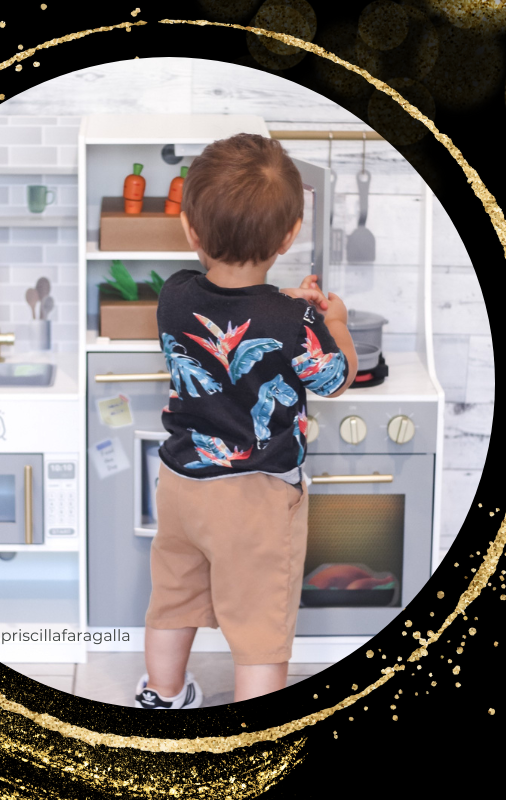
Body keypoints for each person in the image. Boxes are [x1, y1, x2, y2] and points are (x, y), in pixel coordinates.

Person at [134, 133, 357, 710]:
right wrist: (334, 322)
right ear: (289, 235)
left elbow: (235, 305)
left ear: (191, 229)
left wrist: (291, 308)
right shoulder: (295, 319)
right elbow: (335, 378)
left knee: (173, 598)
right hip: (254, 499)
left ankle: (162, 696)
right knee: (259, 626)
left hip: (182, 485)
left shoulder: (174, 295)